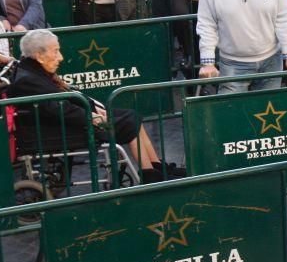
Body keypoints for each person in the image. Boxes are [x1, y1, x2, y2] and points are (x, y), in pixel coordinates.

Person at [10, 29, 183, 183]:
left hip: (68, 122)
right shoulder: (28, 80)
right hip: (61, 129)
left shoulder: (33, 72)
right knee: (128, 122)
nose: (61, 57)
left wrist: (92, 107)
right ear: (39, 56)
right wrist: (91, 116)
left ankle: (156, 167)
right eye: (55, 52)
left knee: (131, 115)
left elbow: (64, 100)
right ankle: (149, 175)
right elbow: (58, 109)